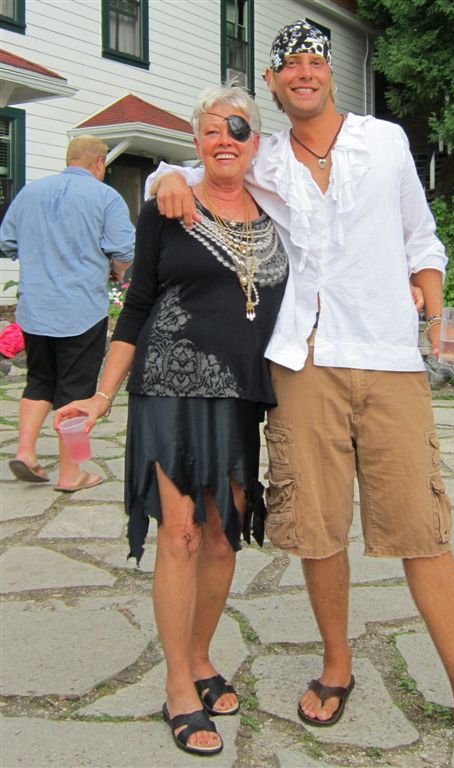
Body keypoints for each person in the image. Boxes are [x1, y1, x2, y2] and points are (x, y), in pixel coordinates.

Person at [148, 21, 454, 767]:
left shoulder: (385, 141)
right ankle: (336, 665)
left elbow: (421, 236)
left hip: (389, 358)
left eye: (314, 61)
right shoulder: (264, 156)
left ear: (329, 73)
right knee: (317, 527)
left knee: (422, 528)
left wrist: (430, 295)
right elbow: (196, 165)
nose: (303, 73)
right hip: (303, 363)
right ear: (272, 83)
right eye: (289, 65)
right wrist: (161, 178)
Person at [55, 85, 288, 757]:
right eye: (211, 131)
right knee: (180, 533)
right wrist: (102, 396)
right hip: (167, 386)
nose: (224, 140)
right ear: (196, 142)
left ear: (255, 142)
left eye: (237, 129)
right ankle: (178, 685)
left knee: (223, 537)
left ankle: (201, 656)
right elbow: (137, 306)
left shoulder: (278, 210)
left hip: (240, 394)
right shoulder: (166, 207)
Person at [0, 136, 134, 491]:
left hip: (35, 308)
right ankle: (71, 473)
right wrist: (115, 270)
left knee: (39, 380)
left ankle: (26, 452)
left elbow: (7, 242)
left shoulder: (30, 192)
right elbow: (124, 251)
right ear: (99, 163)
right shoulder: (106, 197)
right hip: (80, 309)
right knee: (77, 389)